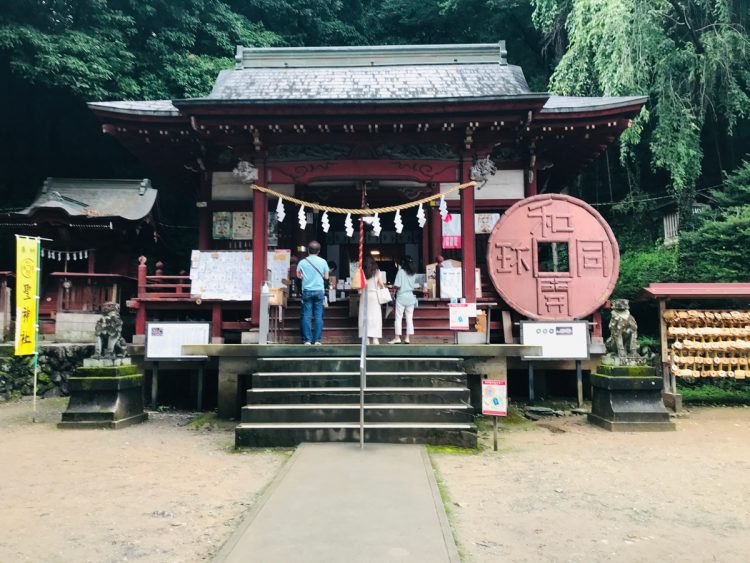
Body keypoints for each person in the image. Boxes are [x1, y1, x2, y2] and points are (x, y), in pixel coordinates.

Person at [296, 241, 329, 345]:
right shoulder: (323, 262)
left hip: (306, 291)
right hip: (319, 291)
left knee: (307, 316)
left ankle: (307, 340)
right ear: (319, 251)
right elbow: (327, 277)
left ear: (308, 250)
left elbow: (298, 276)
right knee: (319, 316)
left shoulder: (302, 262)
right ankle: (317, 340)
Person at [389, 256, 419, 344]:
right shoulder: (413, 273)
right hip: (410, 297)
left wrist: (393, 288)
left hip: (401, 297)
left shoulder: (401, 272)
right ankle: (407, 338)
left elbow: (397, 285)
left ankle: (397, 338)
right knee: (409, 318)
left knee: (398, 318)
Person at [358, 254, 385, 345]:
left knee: (364, 317)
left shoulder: (361, 271)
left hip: (364, 296)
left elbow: (359, 285)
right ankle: (375, 339)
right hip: (374, 296)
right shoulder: (377, 272)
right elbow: (381, 284)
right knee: (375, 317)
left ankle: (366, 338)